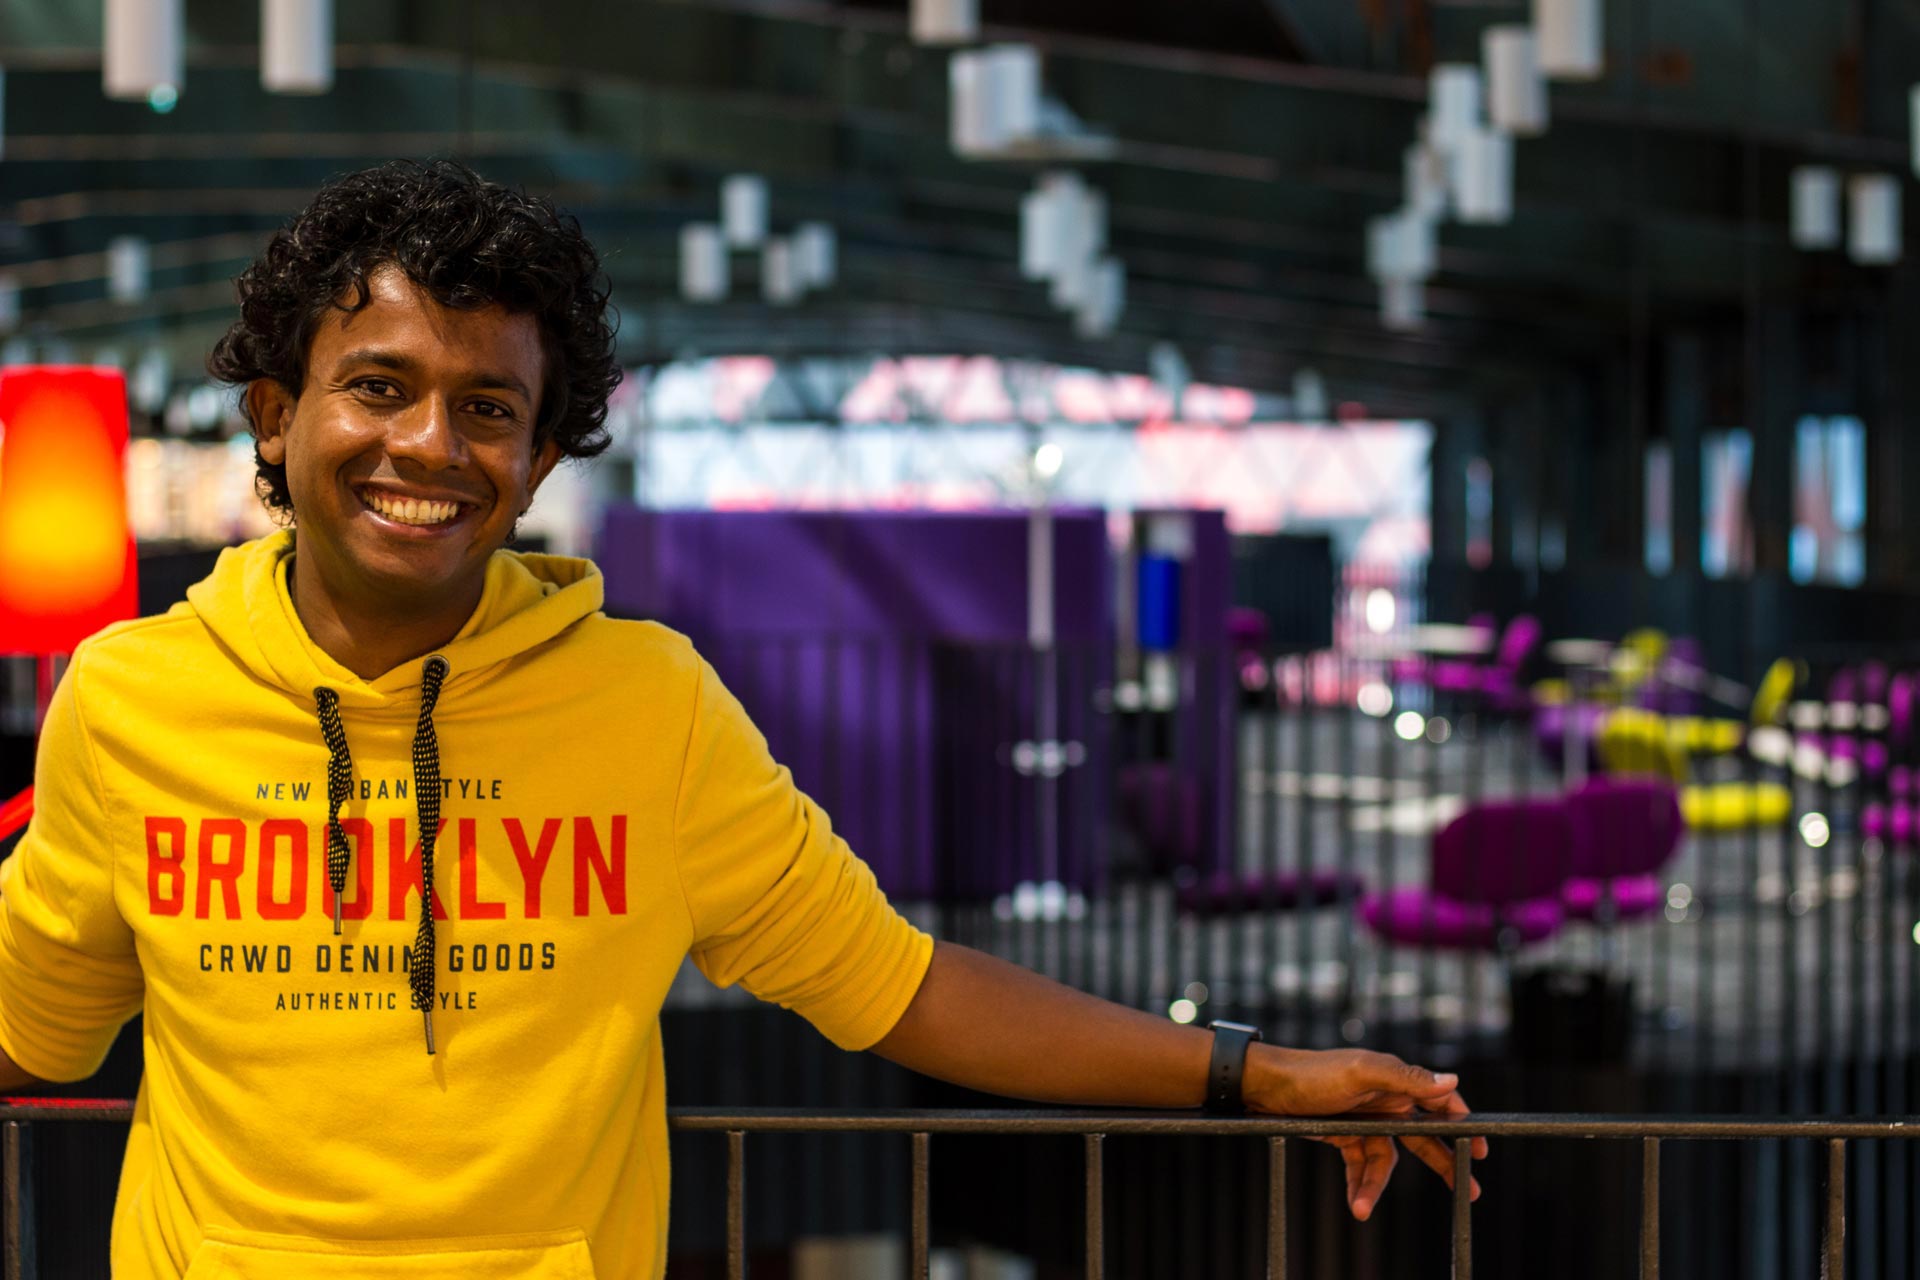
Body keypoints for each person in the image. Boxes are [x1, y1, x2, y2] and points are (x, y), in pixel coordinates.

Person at [0, 160, 1481, 1279]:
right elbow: (39, 1029)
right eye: (378, 388)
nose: (430, 447)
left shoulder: (647, 706)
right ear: (274, 413)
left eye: (491, 409)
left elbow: (900, 985)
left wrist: (1250, 1071)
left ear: (536, 457)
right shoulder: (136, 702)